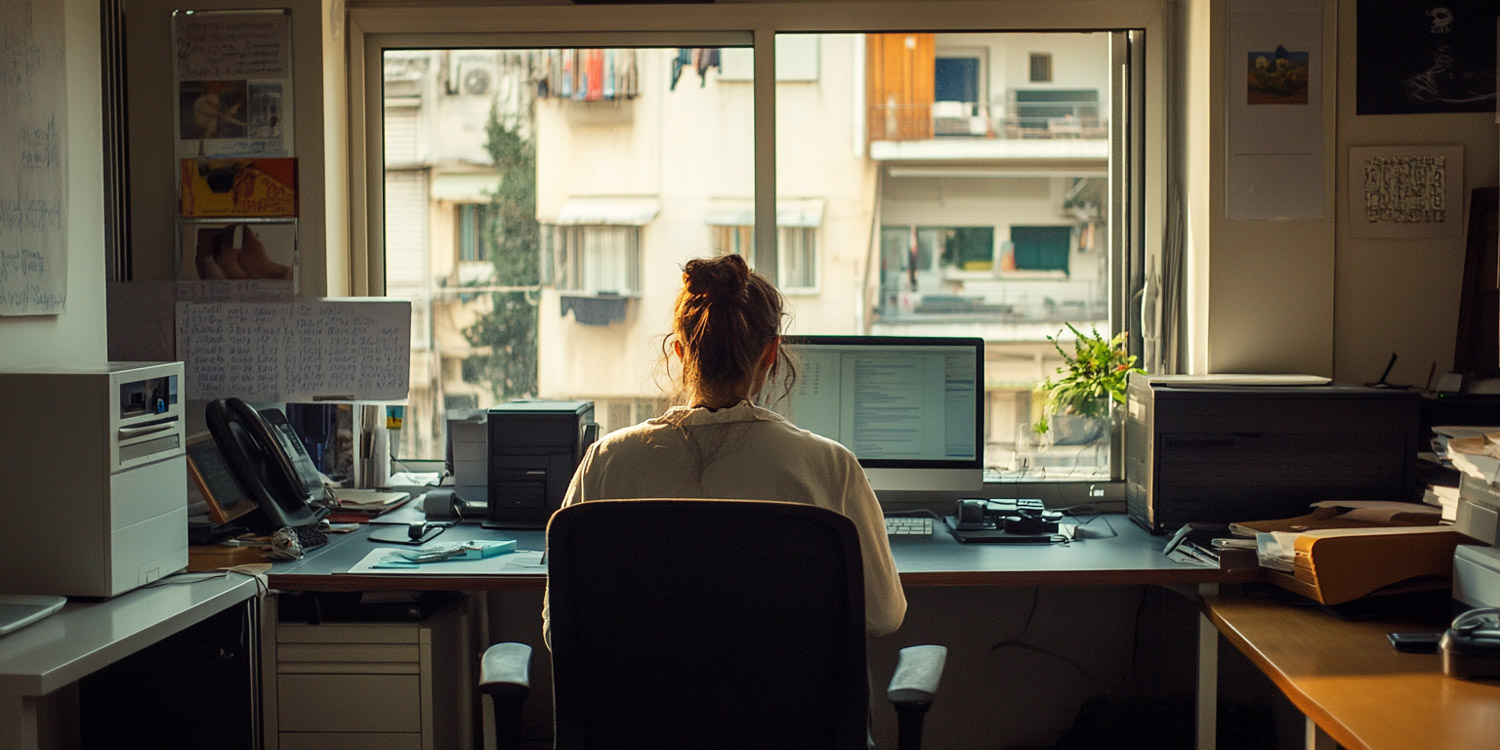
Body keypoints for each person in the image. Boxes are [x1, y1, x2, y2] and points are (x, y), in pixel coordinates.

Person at [542, 253, 906, 644]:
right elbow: (884, 615)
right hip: (782, 705)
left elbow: (557, 630)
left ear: (680, 352)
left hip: (642, 706)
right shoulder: (830, 467)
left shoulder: (607, 462)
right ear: (771, 353)